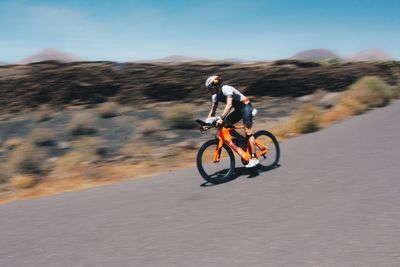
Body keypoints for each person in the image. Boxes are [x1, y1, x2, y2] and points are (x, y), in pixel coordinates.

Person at [205, 75, 259, 168]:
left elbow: (229, 105)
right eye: (209, 89)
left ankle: (254, 158)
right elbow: (213, 110)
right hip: (238, 110)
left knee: (248, 131)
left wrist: (222, 117)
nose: (210, 91)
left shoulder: (226, 89)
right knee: (225, 125)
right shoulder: (215, 97)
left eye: (210, 88)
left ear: (216, 86)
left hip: (246, 106)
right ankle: (241, 140)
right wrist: (207, 123)